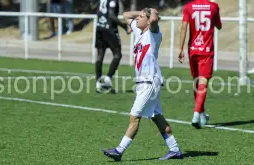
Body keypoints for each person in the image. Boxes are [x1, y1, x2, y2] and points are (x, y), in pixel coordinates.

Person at [102, 8, 183, 161]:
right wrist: (141, 12)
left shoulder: (153, 34)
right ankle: (174, 150)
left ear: (147, 20)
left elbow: (153, 20)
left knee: (134, 117)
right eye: (137, 17)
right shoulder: (139, 32)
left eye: (140, 17)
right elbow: (126, 15)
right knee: (157, 117)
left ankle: (118, 151)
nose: (137, 19)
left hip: (149, 81)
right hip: (145, 81)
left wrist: (152, 11)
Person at [178, 0, 222, 129]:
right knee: (203, 83)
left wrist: (180, 48)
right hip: (207, 50)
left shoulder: (188, 7)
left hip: (193, 49)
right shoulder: (214, 6)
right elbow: (219, 26)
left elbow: (184, 27)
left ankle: (201, 114)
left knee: (197, 82)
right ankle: (196, 114)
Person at [95, 0, 129, 93]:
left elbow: (98, 12)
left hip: (99, 28)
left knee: (100, 55)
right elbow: (111, 15)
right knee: (117, 54)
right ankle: (108, 77)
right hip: (109, 30)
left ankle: (98, 83)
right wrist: (124, 26)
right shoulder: (113, 1)